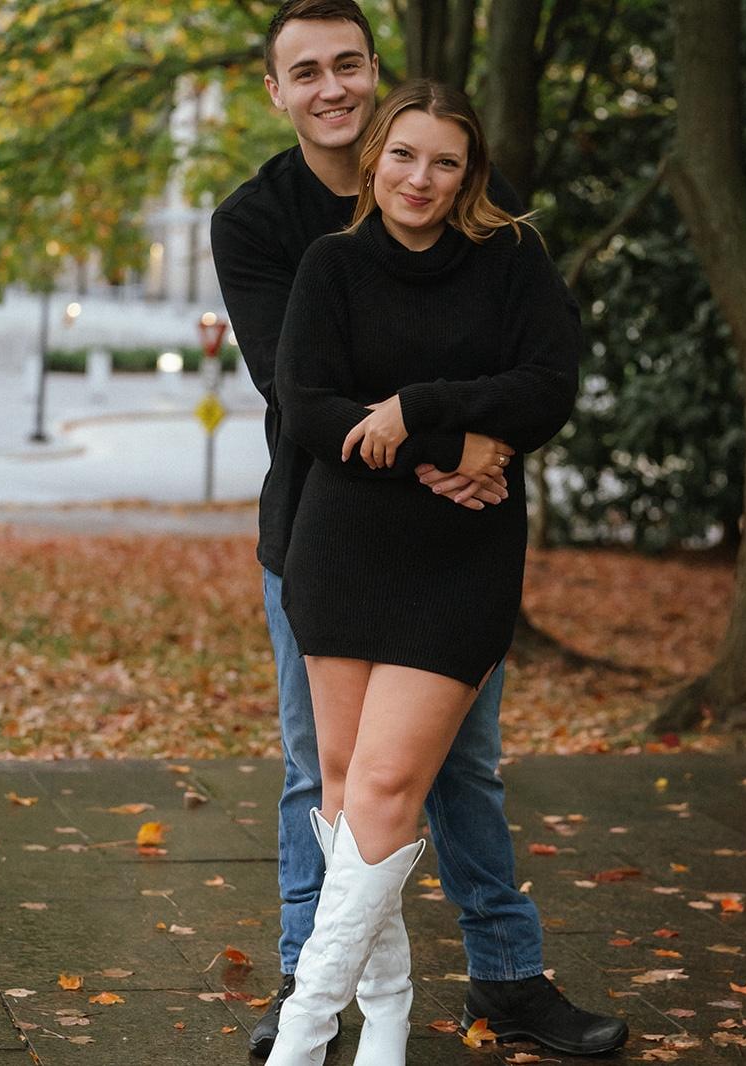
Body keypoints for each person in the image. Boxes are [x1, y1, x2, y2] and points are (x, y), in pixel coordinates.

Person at [210, 2, 628, 1060]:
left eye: (348, 63)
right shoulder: (261, 223)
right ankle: (314, 982)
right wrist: (455, 443)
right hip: (324, 531)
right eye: (307, 71)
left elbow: (543, 361)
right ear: (277, 91)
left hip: (459, 544)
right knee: (325, 775)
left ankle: (505, 976)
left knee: (461, 768)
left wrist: (467, 430)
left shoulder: (474, 197)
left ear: (376, 71)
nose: (332, 87)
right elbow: (300, 388)